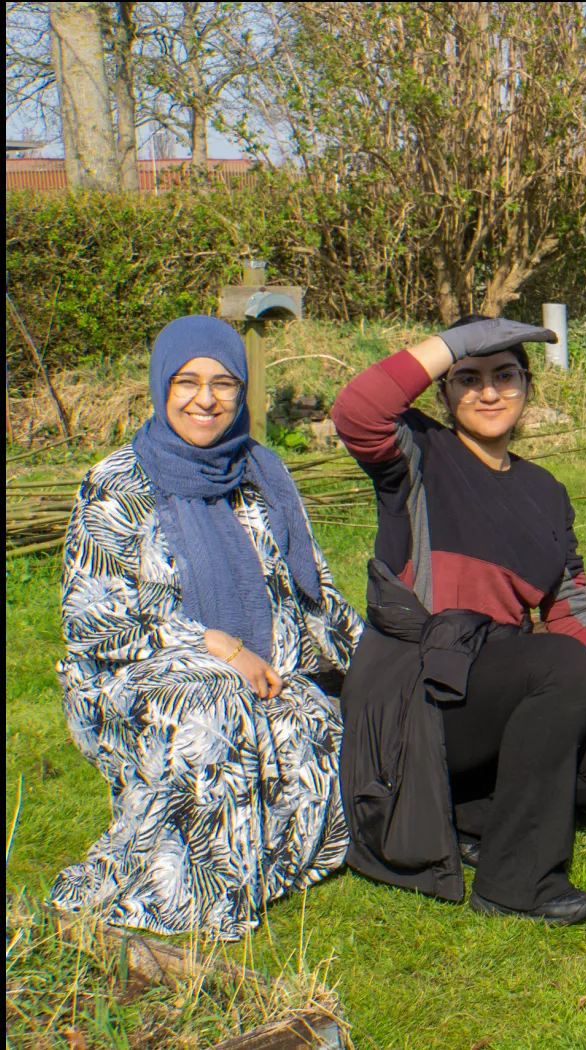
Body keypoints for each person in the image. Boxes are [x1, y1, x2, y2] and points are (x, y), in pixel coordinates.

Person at [331, 315, 586, 927]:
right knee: (555, 667)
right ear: (444, 391)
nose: (488, 392)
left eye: (505, 376)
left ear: (527, 387)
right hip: (416, 695)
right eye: (468, 378)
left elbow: (570, 606)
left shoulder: (545, 490)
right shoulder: (418, 454)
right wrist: (459, 339)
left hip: (490, 690)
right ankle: (516, 881)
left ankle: (468, 815)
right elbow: (356, 409)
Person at [51, 316, 362, 940]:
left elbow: (313, 589)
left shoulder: (262, 474)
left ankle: (260, 865)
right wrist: (211, 644)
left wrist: (374, 654)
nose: (206, 399)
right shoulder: (115, 485)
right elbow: (94, 625)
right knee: (210, 702)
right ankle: (178, 896)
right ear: (161, 387)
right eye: (187, 382)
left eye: (223, 384)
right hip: (130, 675)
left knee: (321, 718)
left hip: (261, 670)